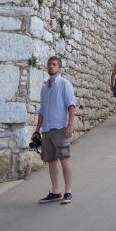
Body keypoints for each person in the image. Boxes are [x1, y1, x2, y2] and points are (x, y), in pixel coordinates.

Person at [34, 56, 77, 205]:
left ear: (59, 68)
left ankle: (68, 191)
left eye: (54, 65)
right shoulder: (45, 88)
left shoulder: (65, 84)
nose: (51, 67)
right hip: (47, 129)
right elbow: (42, 111)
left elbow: (71, 105)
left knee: (64, 159)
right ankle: (55, 191)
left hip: (60, 128)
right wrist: (37, 130)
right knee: (51, 161)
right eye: (49, 64)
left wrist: (70, 125)